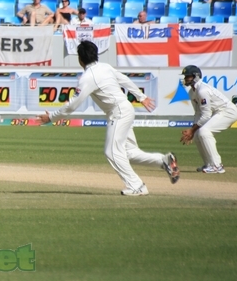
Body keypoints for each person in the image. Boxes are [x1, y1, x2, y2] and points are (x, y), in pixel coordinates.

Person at [39, 41, 179, 196]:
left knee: (111, 152)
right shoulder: (105, 67)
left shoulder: (87, 77)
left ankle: (136, 186)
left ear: (80, 59)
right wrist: (142, 97)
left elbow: (72, 105)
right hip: (125, 109)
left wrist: (51, 117)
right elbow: (124, 80)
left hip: (118, 112)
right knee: (129, 153)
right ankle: (163, 161)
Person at [179, 65, 237, 174]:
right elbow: (198, 113)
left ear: (196, 76)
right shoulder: (191, 93)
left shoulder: (203, 91)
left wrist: (192, 130)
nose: (186, 79)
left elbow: (206, 115)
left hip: (228, 111)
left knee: (204, 131)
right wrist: (193, 131)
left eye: (188, 76)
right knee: (197, 135)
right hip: (217, 113)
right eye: (185, 77)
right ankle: (209, 164)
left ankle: (217, 165)